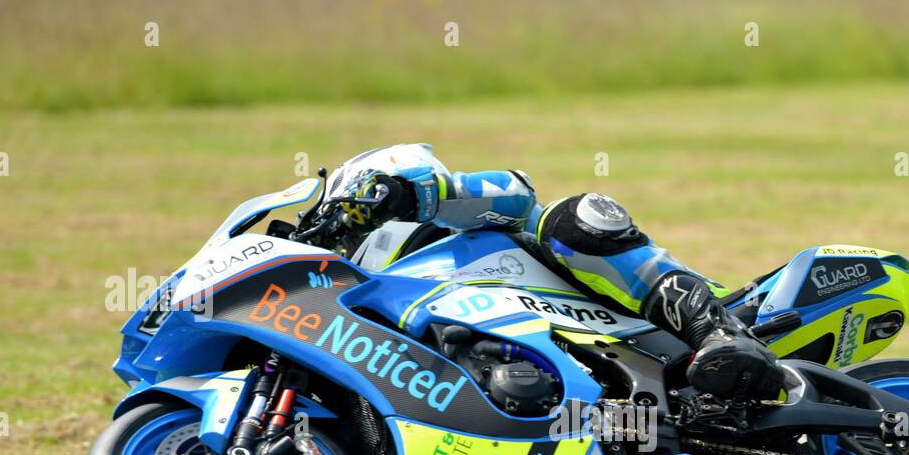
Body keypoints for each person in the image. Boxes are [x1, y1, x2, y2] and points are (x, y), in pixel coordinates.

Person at [308, 143, 784, 402]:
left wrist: (407, 194)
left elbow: (515, 192)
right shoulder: (379, 322)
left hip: (692, 324)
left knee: (577, 220)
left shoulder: (466, 234)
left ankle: (717, 333)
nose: (340, 242)